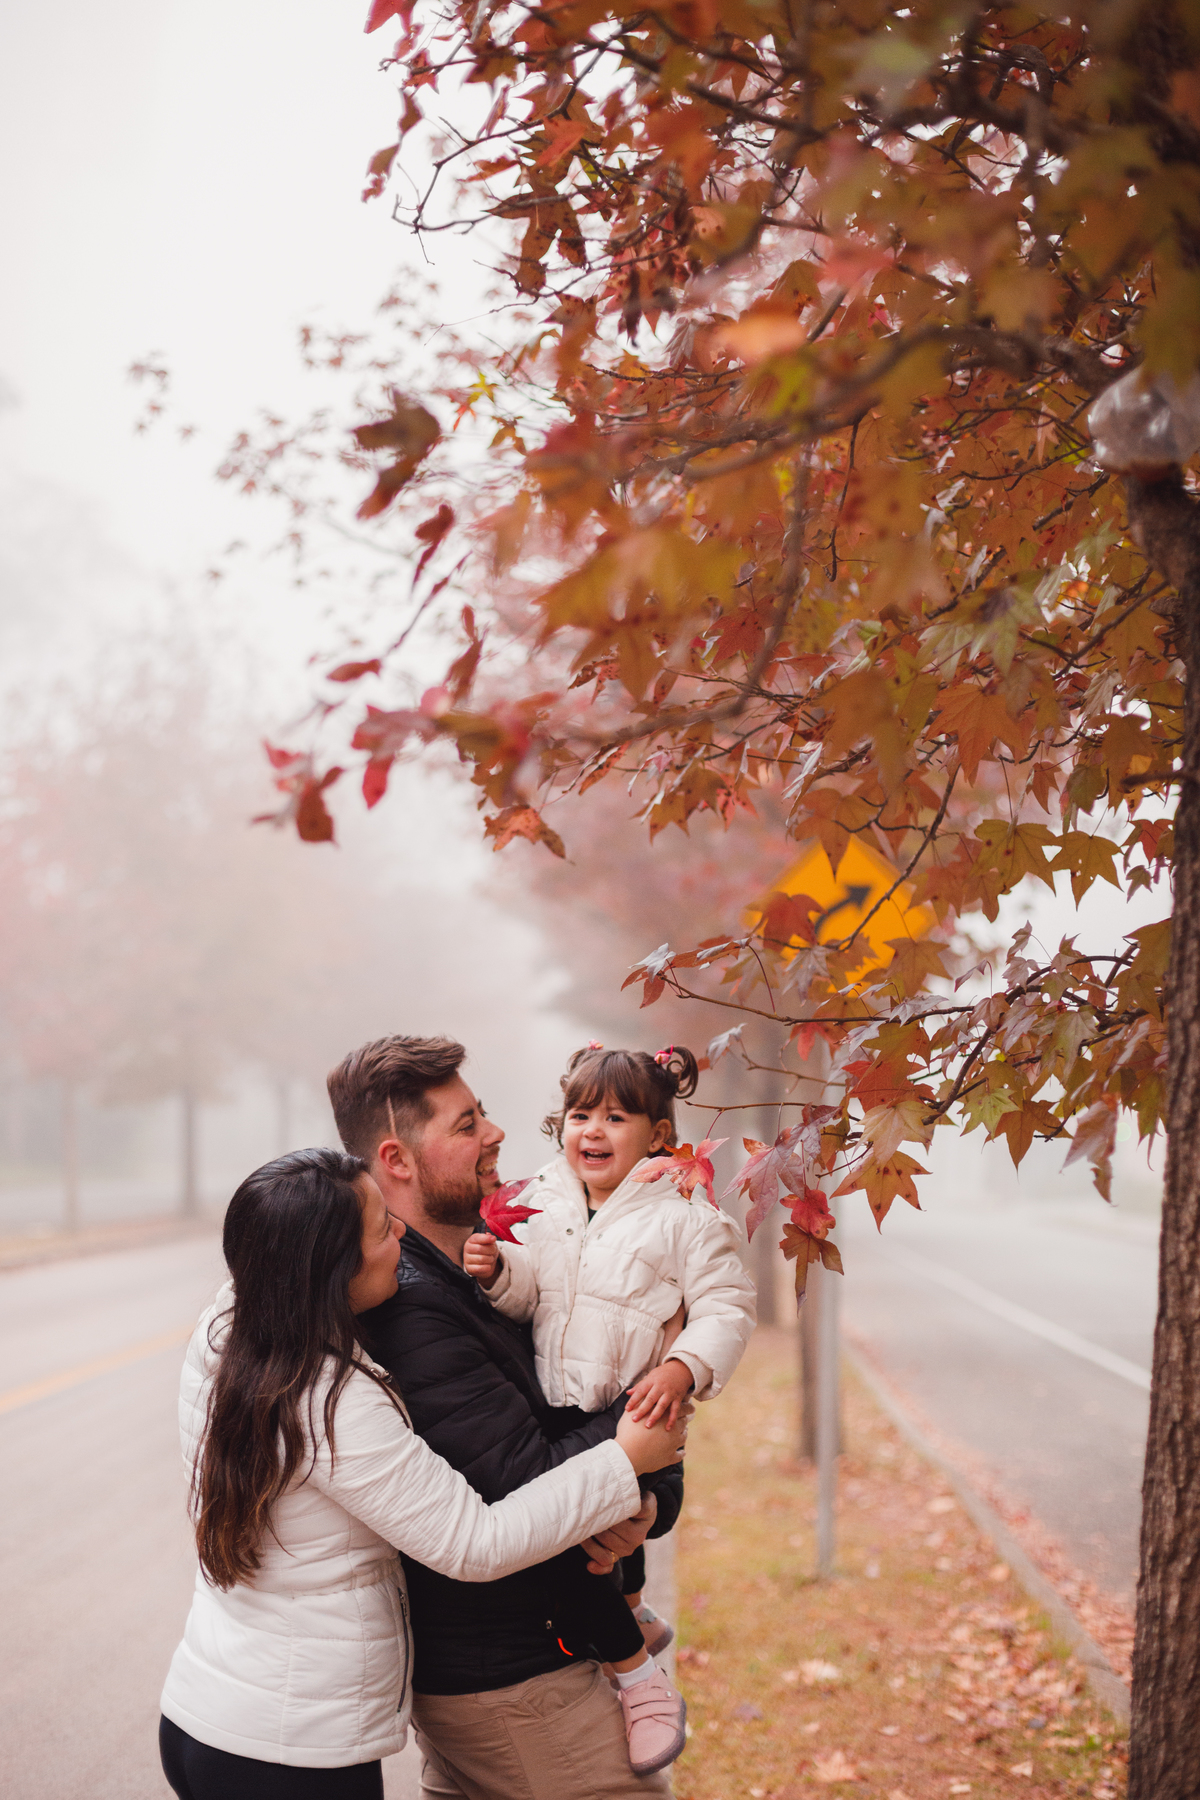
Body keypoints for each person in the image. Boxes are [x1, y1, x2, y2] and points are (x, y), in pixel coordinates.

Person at [158, 1146, 686, 1800]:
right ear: (329, 1274)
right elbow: (476, 1542)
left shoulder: (234, 1326)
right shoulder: (326, 1402)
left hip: (206, 1716)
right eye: (381, 1229)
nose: (401, 1235)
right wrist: (625, 1457)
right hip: (291, 1756)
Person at [325, 1037, 688, 1800]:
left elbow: (560, 1422)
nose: (495, 1134)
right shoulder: (411, 1309)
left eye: (483, 1113)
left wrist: (645, 1500)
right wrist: (644, 1414)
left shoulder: (475, 1268)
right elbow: (525, 1482)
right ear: (397, 1159)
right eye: (466, 1125)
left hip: (512, 1667)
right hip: (514, 1683)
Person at [463, 1043, 757, 1769]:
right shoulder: (547, 1201)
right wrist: (503, 1271)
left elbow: (726, 1305)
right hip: (555, 1412)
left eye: (616, 1116)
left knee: (575, 1560)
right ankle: (631, 1611)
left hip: (635, 1415)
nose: (591, 1130)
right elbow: (535, 1297)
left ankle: (640, 1680)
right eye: (579, 1113)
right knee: (574, 1556)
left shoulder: (684, 1213)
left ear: (658, 1134)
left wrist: (686, 1366)